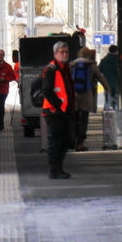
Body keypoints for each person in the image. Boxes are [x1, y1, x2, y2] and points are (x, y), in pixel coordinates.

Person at [40, 40, 76, 179]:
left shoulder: (66, 68)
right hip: (54, 111)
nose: (65, 54)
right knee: (55, 141)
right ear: (55, 53)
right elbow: (47, 91)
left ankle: (58, 168)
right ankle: (54, 170)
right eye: (62, 52)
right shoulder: (51, 69)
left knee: (65, 141)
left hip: (65, 111)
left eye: (66, 52)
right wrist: (58, 105)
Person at [70, 47, 110, 151]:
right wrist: (107, 88)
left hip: (74, 95)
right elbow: (100, 78)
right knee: (84, 120)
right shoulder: (92, 65)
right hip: (86, 95)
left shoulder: (72, 64)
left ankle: (72, 140)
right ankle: (80, 143)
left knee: (74, 119)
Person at [98, 44, 120, 110]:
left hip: (107, 84)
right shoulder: (119, 60)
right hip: (117, 84)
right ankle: (116, 113)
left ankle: (106, 113)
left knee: (107, 101)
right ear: (116, 51)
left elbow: (99, 71)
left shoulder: (104, 60)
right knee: (117, 101)